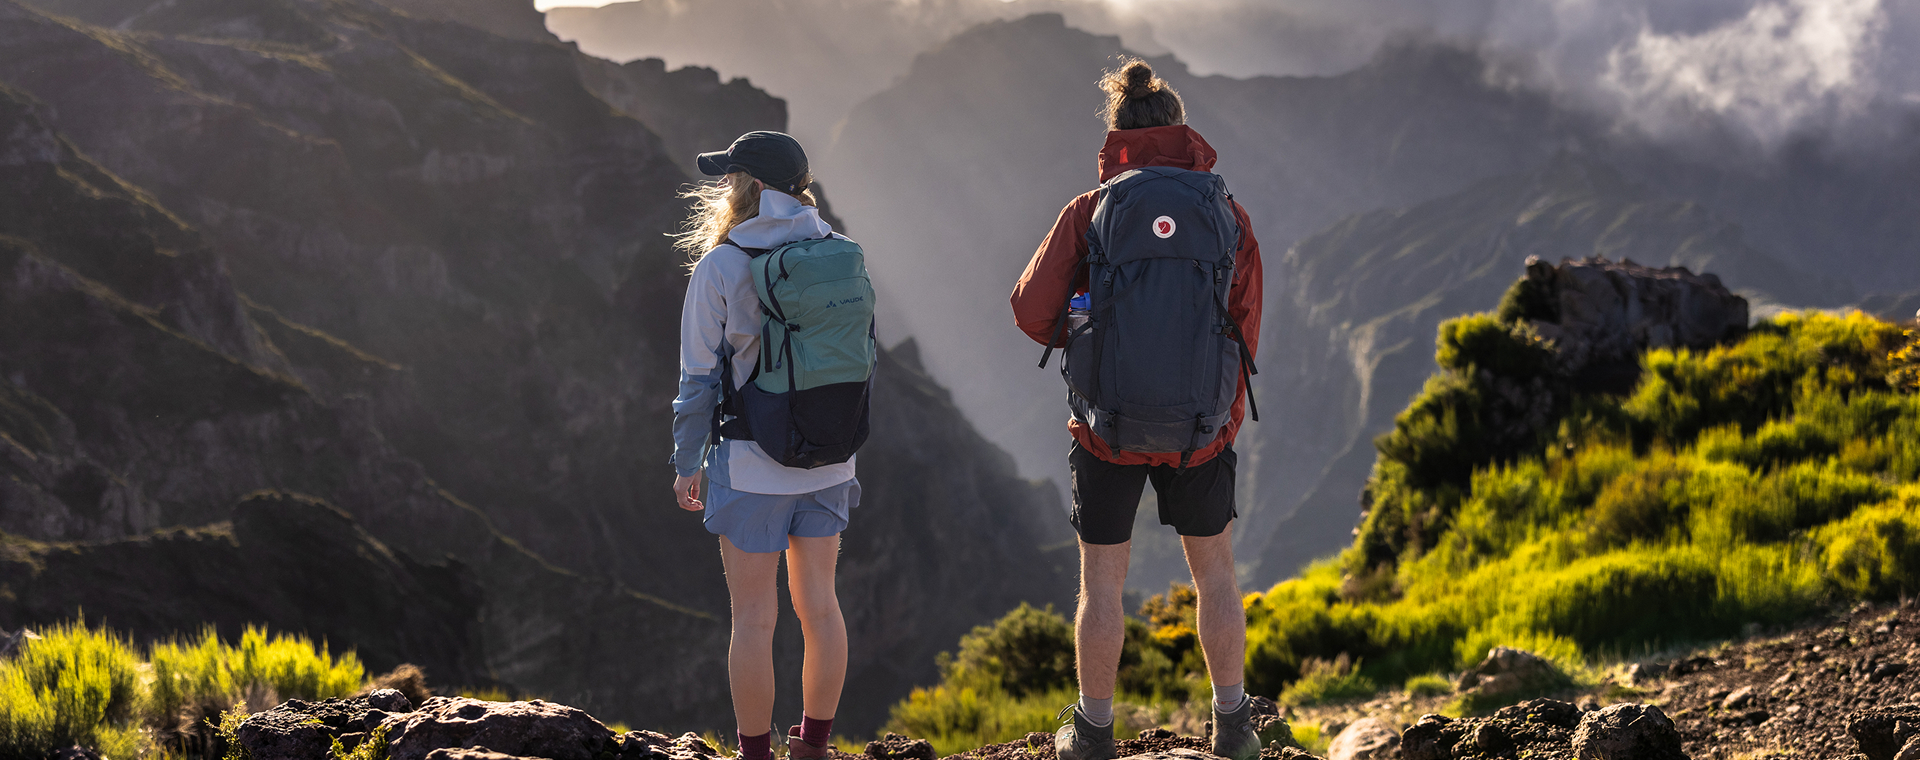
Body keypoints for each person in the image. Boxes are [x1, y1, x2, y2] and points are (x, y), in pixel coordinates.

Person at [1009, 60, 1264, 760]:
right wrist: (1220, 422)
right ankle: (1234, 727)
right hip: (1200, 434)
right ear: (1182, 131)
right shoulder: (1226, 214)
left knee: (1101, 581)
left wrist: (1089, 335)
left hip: (1107, 429)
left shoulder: (1090, 211)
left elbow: (1030, 311)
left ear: (1118, 135)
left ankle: (1092, 731)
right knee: (1215, 575)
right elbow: (1244, 327)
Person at [670, 131, 860, 760]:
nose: (724, 188)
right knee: (821, 609)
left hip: (752, 464)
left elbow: (697, 379)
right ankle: (814, 747)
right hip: (831, 459)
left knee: (754, 618)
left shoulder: (723, 265)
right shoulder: (840, 250)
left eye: (729, 178)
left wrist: (686, 463)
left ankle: (756, 754)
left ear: (747, 187)